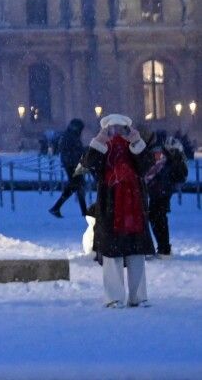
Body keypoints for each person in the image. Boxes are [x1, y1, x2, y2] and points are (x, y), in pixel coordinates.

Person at [81, 114, 154, 307]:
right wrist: (98, 141)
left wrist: (137, 142)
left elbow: (147, 165)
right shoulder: (102, 149)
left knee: (136, 252)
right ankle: (114, 297)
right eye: (112, 129)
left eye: (122, 128)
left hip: (134, 204)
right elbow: (88, 164)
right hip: (110, 205)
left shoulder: (134, 148)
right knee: (112, 253)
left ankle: (138, 296)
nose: (117, 133)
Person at [144, 133, 189, 257]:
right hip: (160, 191)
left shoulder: (170, 160)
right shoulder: (170, 159)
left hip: (161, 192)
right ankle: (163, 248)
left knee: (158, 218)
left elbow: (169, 175)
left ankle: (164, 249)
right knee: (157, 218)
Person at [49, 118, 89, 218]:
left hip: (74, 164)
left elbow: (73, 150)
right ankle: (83, 211)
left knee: (76, 186)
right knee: (76, 186)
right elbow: (71, 151)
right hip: (72, 164)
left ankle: (57, 207)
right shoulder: (70, 137)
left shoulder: (69, 136)